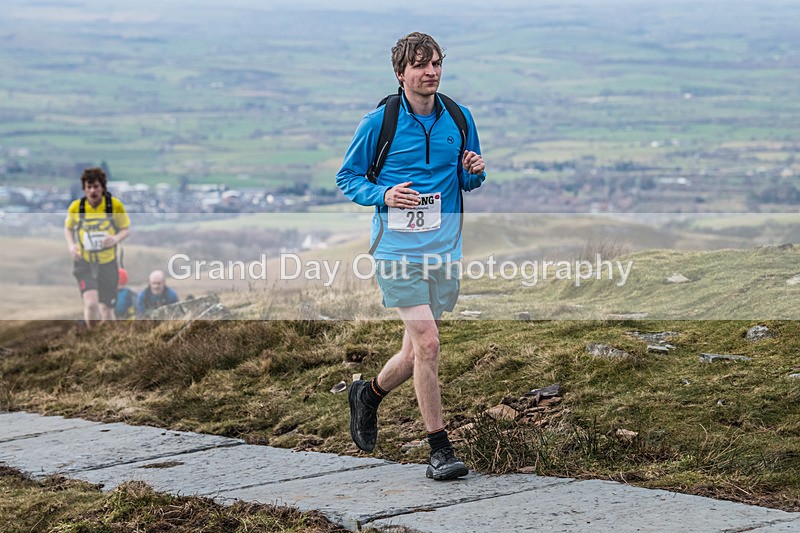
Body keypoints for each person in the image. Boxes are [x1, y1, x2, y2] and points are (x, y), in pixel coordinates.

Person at [336, 32, 486, 480]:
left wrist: (474, 171)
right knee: (429, 342)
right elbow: (348, 179)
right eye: (421, 65)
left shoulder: (459, 117)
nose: (431, 72)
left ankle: (368, 395)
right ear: (400, 74)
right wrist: (384, 194)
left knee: (413, 352)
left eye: (436, 63)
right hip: (396, 251)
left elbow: (468, 177)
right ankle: (439, 450)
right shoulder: (378, 123)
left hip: (443, 249)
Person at [64, 167, 130, 329]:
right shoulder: (77, 208)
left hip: (107, 261)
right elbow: (68, 228)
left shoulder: (114, 206)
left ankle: (114, 340)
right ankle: (91, 337)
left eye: (96, 187)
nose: (92, 191)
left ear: (103, 187)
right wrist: (72, 246)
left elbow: (126, 229)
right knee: (91, 304)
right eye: (89, 187)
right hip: (84, 261)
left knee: (107, 308)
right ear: (84, 188)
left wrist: (114, 238)